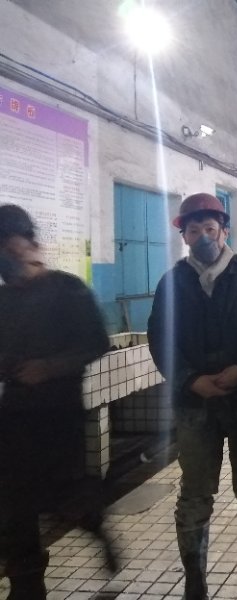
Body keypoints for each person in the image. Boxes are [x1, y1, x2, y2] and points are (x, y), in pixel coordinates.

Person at [148, 193, 237, 600]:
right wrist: (191, 380)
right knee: (195, 492)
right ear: (184, 236)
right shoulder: (173, 281)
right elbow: (161, 337)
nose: (203, 236)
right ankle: (195, 582)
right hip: (196, 404)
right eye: (194, 230)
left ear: (225, 231)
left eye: (210, 228)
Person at [0, 204, 112, 599]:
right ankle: (27, 588)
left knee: (66, 497)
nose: (5, 255)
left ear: (28, 241)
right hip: (13, 418)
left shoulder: (67, 289)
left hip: (59, 416)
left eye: (8, 244)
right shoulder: (3, 300)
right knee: (14, 508)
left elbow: (97, 343)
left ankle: (96, 526)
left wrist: (49, 367)